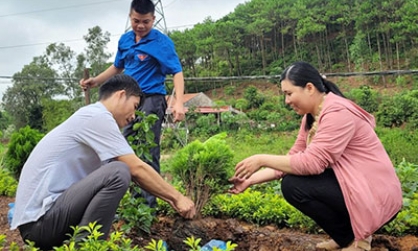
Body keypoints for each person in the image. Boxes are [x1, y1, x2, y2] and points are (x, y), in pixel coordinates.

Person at [228, 62, 402, 251]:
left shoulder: (338, 113)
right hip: (354, 186)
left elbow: (313, 163)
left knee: (294, 185)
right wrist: (249, 181)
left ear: (309, 88)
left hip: (375, 193)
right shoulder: (311, 116)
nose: (286, 101)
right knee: (292, 183)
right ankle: (346, 238)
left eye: (289, 93)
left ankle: (359, 241)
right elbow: (293, 158)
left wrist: (261, 159)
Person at [11, 75, 195, 251]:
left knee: (115, 169)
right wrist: (178, 198)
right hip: (39, 225)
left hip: (46, 220)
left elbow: (134, 174)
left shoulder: (93, 117)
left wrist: (171, 199)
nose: (134, 117)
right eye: (135, 106)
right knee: (118, 171)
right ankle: (87, 247)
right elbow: (135, 168)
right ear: (121, 95)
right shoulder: (96, 117)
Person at [80, 0, 185, 208]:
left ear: (153, 19)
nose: (141, 26)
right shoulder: (126, 40)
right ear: (130, 17)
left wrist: (179, 102)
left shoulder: (162, 43)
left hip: (151, 100)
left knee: (147, 150)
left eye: (146, 22)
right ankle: (127, 200)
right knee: (121, 149)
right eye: (136, 21)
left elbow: (177, 71)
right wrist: (97, 81)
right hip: (127, 101)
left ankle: (147, 206)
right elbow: (118, 67)